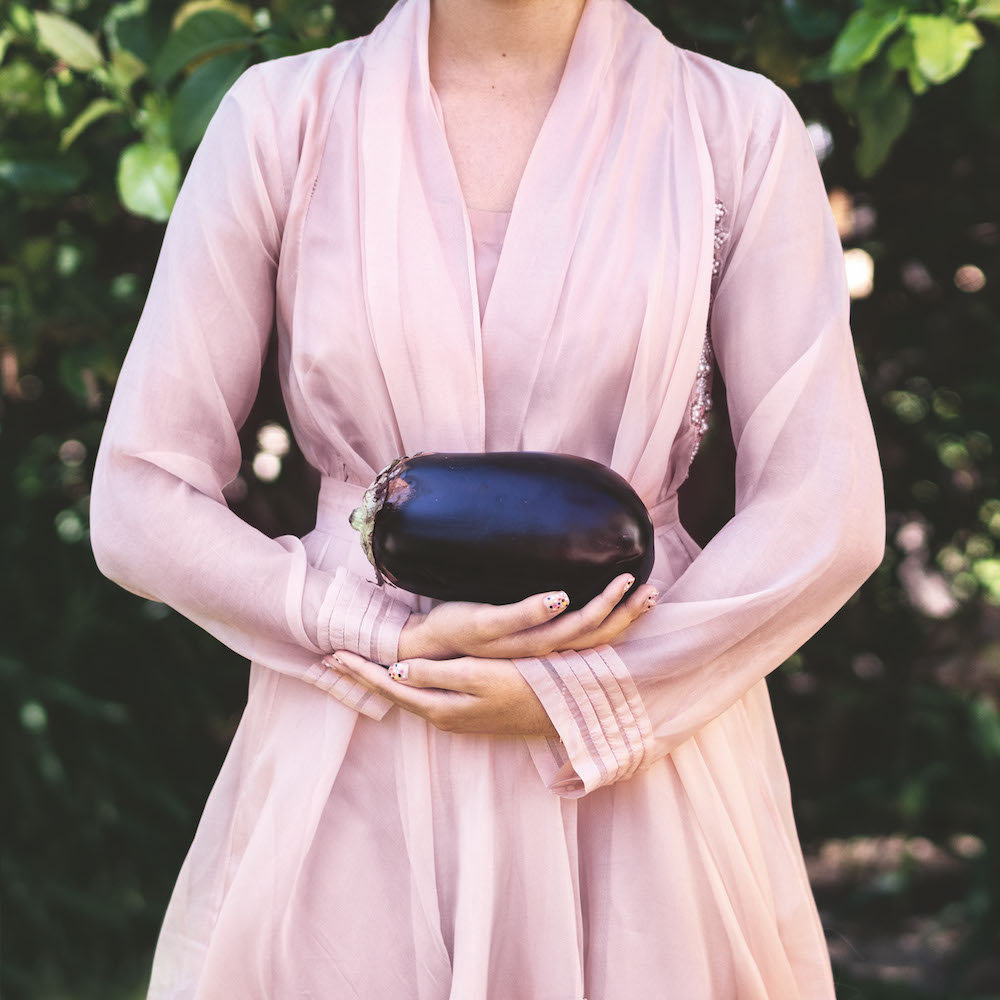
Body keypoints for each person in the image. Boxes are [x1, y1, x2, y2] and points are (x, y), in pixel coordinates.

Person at [89, 0, 886, 995]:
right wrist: (364, 629)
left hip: (639, 764)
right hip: (358, 746)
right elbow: (138, 496)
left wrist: (593, 695)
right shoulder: (283, 120)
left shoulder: (732, 128)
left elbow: (828, 505)